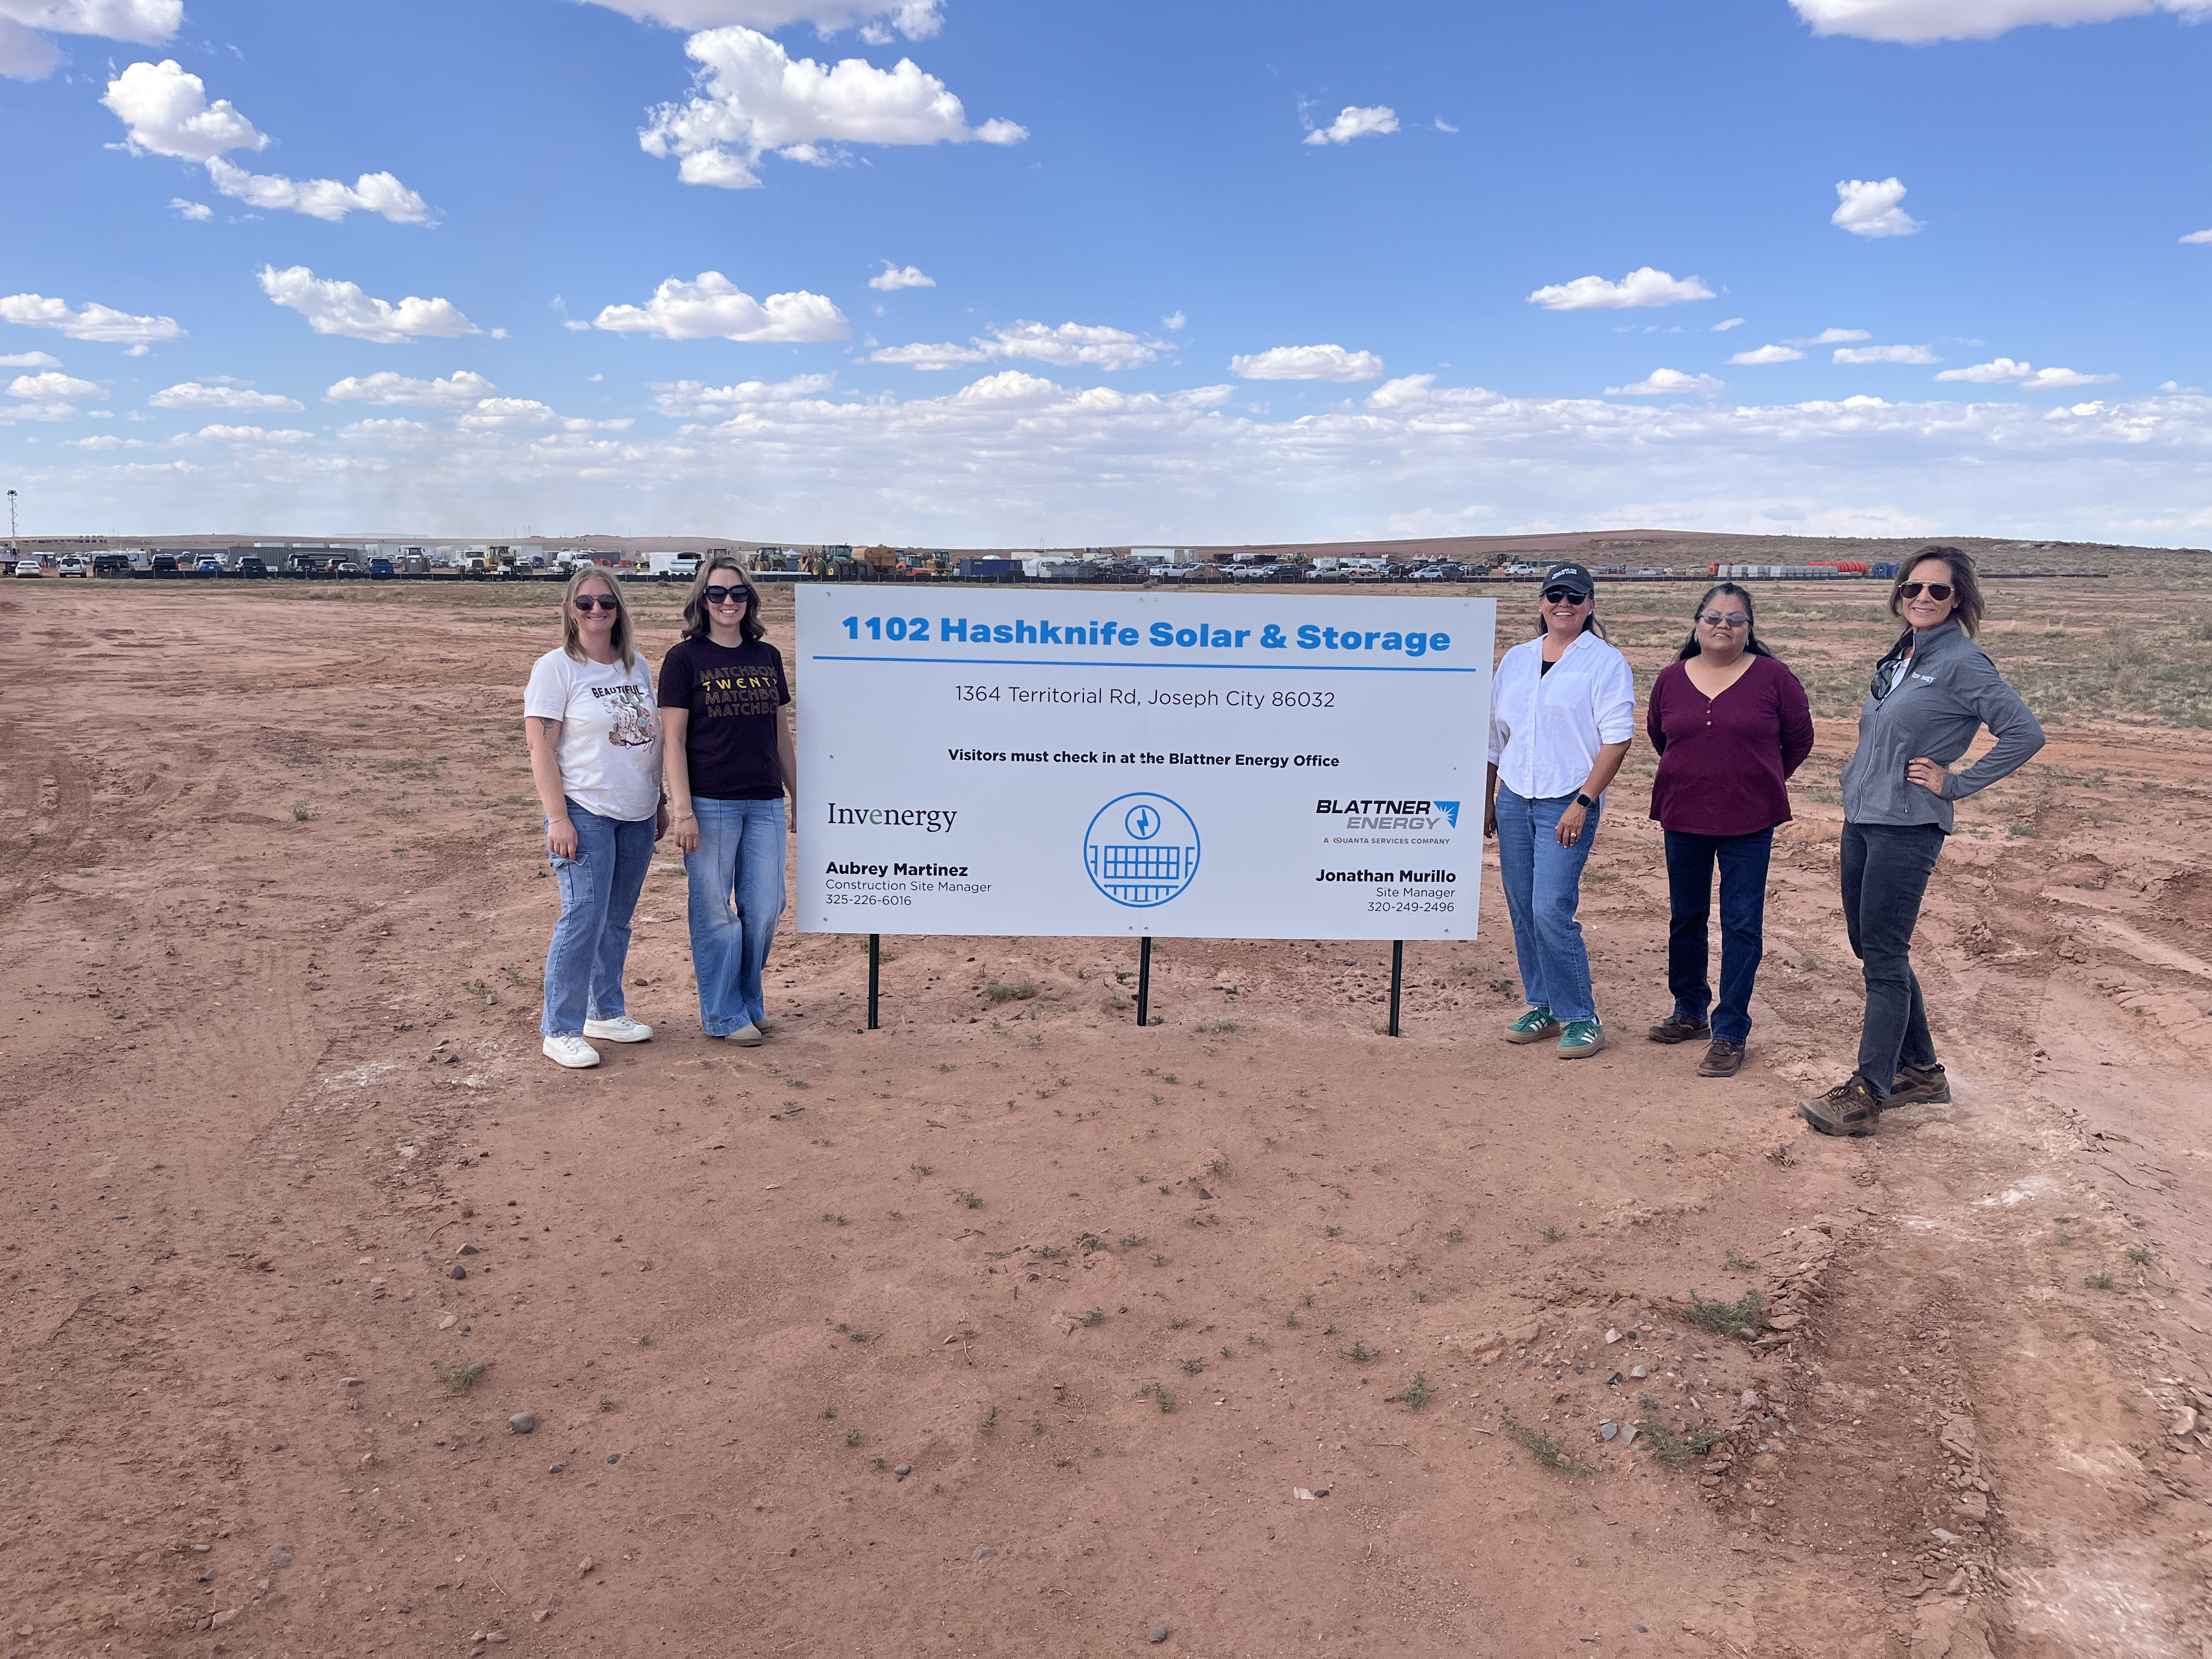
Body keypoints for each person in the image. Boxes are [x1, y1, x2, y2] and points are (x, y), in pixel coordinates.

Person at [1798, 547, 2044, 1135]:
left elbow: (2024, 731)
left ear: (1959, 598)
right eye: (1913, 589)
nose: (1923, 599)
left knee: (1883, 958)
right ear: (1899, 595)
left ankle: (1866, 1093)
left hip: (1908, 825)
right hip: (1865, 817)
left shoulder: (1963, 662)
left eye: (1938, 590)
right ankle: (1924, 1073)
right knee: (1872, 945)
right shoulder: (1905, 654)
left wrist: (1957, 783)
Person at [1644, 583, 1815, 1078]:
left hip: (1749, 819)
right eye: (1713, 616)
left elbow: (1799, 739)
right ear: (1697, 624)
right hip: (1683, 814)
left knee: (1741, 925)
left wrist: (1760, 779)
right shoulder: (1672, 679)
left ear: (1749, 628)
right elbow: (1662, 736)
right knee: (1686, 918)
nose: (1723, 625)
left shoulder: (1774, 677)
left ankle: (1731, 1030)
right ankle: (1690, 1010)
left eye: (1735, 619)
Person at [1484, 562, 1635, 1058]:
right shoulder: (1517, 659)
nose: (1563, 603)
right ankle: (1543, 1004)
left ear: (1590, 604)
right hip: (1514, 798)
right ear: (1542, 602)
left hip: (1566, 801)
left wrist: (1583, 802)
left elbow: (1618, 739)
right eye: (1554, 594)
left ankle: (1581, 1015)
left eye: (1574, 595)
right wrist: (1490, 797)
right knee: (1524, 907)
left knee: (1551, 907)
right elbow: (1494, 737)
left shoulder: (1604, 662)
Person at [524, 568, 667, 1070]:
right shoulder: (558, 668)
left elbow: (648, 741)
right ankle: (560, 1027)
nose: (597, 611)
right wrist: (557, 818)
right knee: (583, 917)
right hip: (585, 812)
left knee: (616, 921)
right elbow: (541, 749)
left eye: (606, 602)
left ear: (620, 609)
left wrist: (661, 802)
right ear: (571, 610)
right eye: (585, 604)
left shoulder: (637, 667)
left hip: (638, 812)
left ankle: (605, 1012)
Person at [659, 561, 797, 1046]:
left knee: (765, 907)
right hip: (709, 802)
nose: (727, 602)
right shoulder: (684, 660)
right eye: (717, 594)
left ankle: (747, 998)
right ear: (702, 601)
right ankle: (722, 1012)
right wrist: (682, 810)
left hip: (764, 802)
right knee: (716, 910)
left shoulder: (768, 656)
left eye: (737, 592)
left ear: (749, 599)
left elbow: (780, 732)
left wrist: (797, 795)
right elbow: (672, 741)